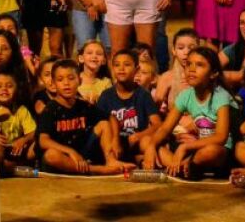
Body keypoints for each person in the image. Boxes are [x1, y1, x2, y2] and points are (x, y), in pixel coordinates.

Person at [144, 48, 237, 177]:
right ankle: (182, 167)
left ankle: (185, 165)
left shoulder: (220, 96)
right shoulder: (185, 95)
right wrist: (151, 147)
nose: (191, 69)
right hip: (196, 147)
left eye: (199, 65)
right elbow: (165, 128)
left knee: (210, 151)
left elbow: (221, 137)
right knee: (147, 141)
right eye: (189, 64)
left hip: (221, 151)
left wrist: (186, 147)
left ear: (213, 73)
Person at [37, 59, 127, 175]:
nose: (66, 83)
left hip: (82, 153)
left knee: (103, 124)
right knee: (51, 155)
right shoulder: (50, 109)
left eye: (71, 78)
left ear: (79, 81)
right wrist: (70, 152)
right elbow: (43, 141)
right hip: (64, 156)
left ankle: (111, 161)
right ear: (54, 84)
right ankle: (98, 170)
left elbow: (110, 118)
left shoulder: (83, 105)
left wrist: (115, 141)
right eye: (60, 80)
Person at [98, 49, 161, 166]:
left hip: (135, 141)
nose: (121, 68)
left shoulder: (143, 94)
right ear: (112, 69)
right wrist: (114, 140)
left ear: (136, 70)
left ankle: (177, 166)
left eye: (127, 65)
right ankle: (134, 160)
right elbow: (100, 124)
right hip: (114, 142)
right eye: (117, 65)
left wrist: (138, 136)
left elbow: (157, 124)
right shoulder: (106, 95)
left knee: (148, 143)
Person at [0, 72, 36, 169]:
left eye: (9, 86)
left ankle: (15, 165)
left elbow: (33, 132)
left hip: (17, 150)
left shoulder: (21, 110)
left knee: (38, 144)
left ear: (16, 90)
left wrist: (23, 140)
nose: (4, 89)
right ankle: (9, 166)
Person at [153, 28, 199, 111]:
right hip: (173, 122)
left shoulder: (204, 76)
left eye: (191, 48)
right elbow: (156, 108)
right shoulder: (167, 77)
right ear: (174, 50)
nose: (186, 52)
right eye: (181, 48)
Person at [77, 40, 111, 104]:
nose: (94, 56)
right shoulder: (74, 79)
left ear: (104, 61)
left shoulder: (106, 82)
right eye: (89, 53)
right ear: (81, 58)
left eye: (99, 54)